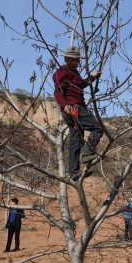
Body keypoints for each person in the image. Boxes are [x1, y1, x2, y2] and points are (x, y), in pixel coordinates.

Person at [53, 45, 103, 181]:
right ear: (66, 59)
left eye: (77, 60)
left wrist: (93, 77)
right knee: (98, 128)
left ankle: (74, 173)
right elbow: (57, 91)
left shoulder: (75, 74)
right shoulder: (61, 73)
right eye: (72, 60)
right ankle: (87, 153)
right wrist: (64, 106)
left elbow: (81, 84)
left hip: (76, 109)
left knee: (76, 141)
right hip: (74, 109)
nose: (75, 62)